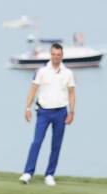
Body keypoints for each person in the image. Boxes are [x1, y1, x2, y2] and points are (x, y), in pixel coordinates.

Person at [20, 43, 76, 186]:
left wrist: (71, 112)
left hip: (61, 112)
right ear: (50, 55)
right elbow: (33, 89)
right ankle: (28, 173)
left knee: (56, 145)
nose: (56, 57)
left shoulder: (68, 73)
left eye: (58, 55)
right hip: (43, 112)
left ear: (62, 56)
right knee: (37, 142)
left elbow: (72, 93)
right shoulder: (42, 71)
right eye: (53, 54)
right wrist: (27, 108)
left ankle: (50, 174)